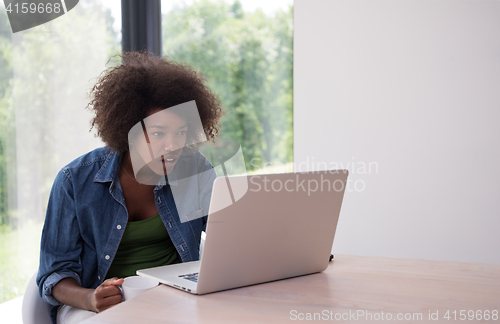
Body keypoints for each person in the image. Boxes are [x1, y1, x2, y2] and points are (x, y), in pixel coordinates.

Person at [36, 52, 224, 324]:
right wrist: (90, 298)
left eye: (181, 132)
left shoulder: (195, 170)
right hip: (95, 306)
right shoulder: (73, 181)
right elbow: (53, 274)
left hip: (174, 300)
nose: (173, 145)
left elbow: (227, 237)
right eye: (158, 133)